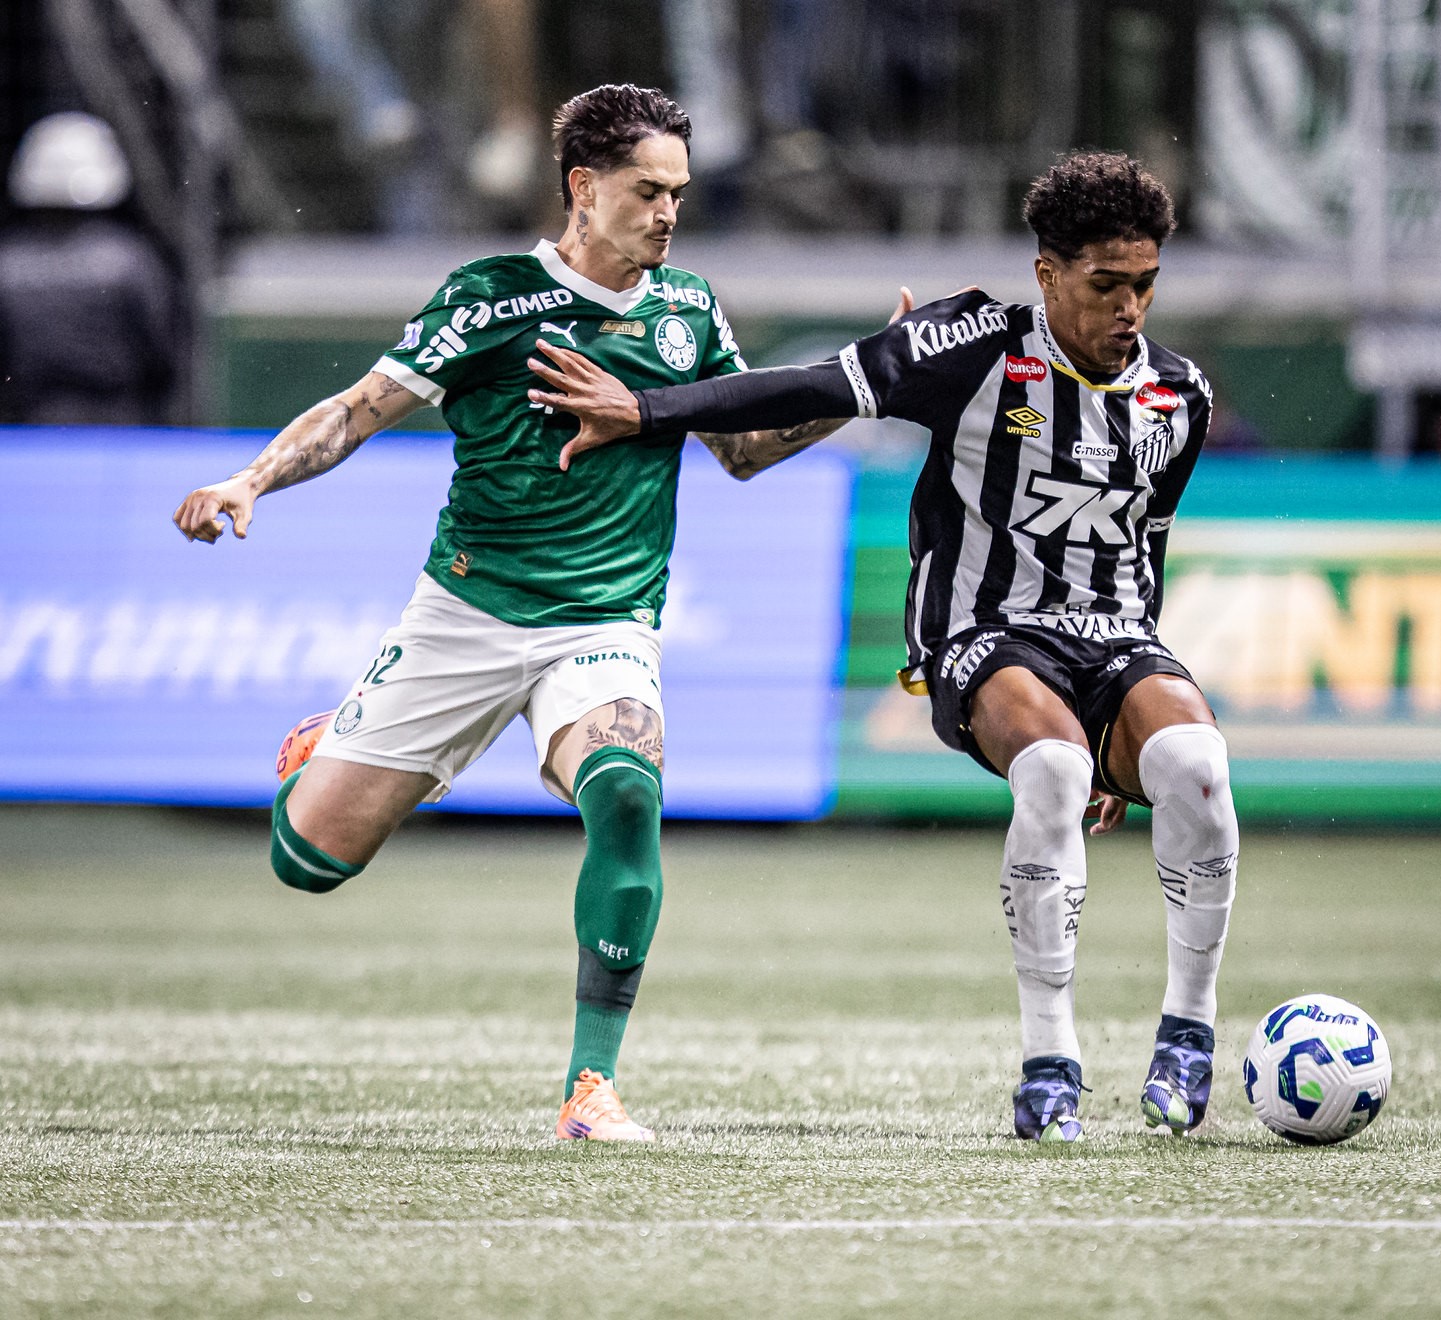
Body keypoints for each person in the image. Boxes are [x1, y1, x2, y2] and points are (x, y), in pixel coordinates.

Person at [172, 84, 849, 1142]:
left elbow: (742, 449)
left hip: (606, 620)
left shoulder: (689, 311)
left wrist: (853, 392)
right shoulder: (489, 298)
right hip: (468, 613)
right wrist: (251, 482)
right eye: (647, 191)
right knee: (308, 863)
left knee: (629, 790)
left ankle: (592, 1087)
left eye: (680, 193)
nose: (669, 213)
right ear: (583, 187)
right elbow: (359, 409)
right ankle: (320, 757)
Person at [528, 151, 1240, 1143]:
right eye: (1105, 285)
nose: (1130, 308)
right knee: (1054, 772)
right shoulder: (974, 346)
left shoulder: (1181, 398)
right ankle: (1051, 1064)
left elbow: (1140, 547)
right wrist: (646, 410)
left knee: (1199, 767)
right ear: (1047, 273)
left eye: (1146, 286)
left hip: (1116, 640)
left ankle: (1188, 1033)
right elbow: (804, 387)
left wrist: (1129, 708)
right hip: (984, 636)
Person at [0, 112, 179, 425]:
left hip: (24, 430)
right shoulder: (130, 260)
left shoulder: (7, 262)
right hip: (118, 429)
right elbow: (163, 354)